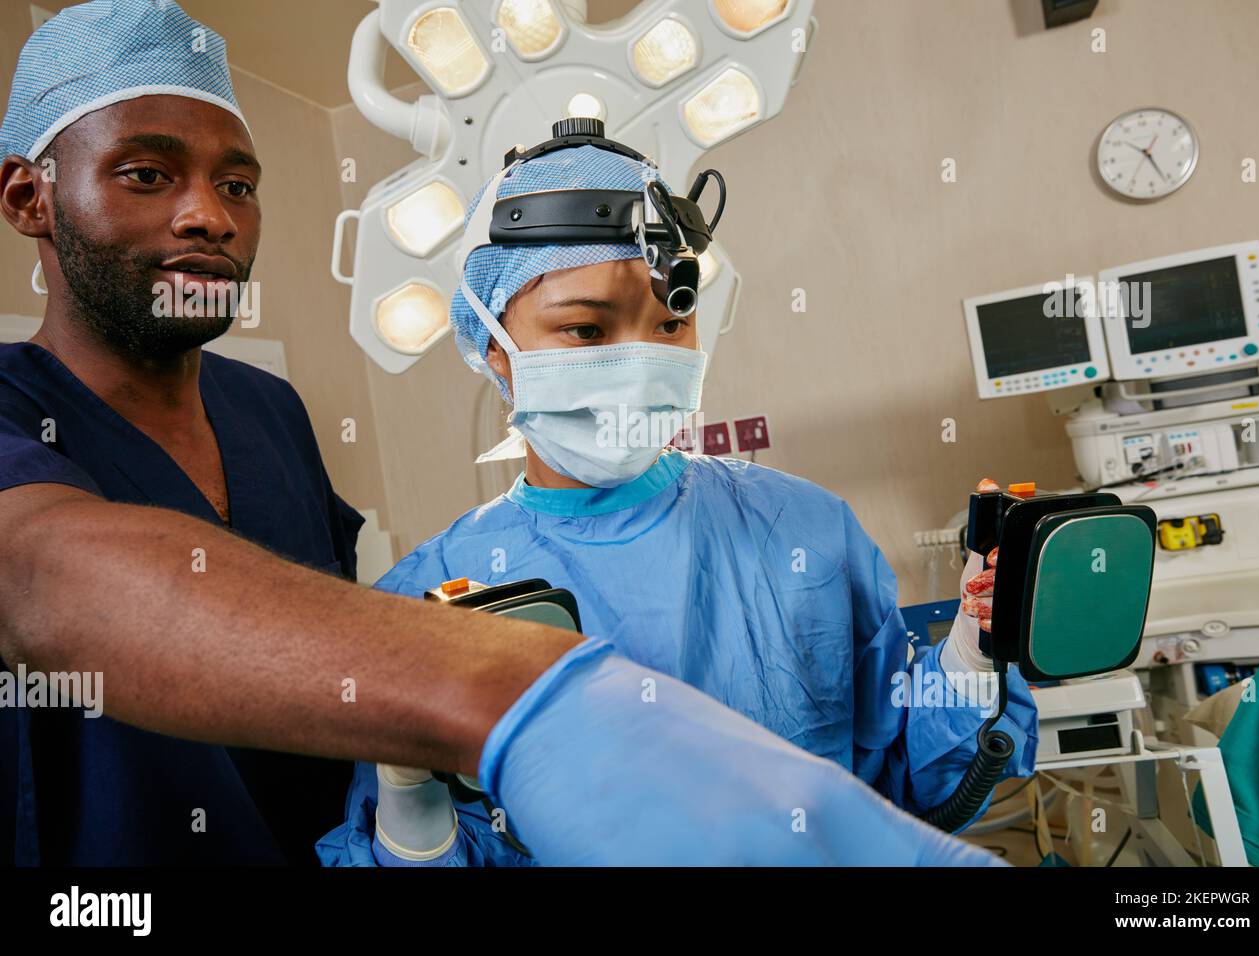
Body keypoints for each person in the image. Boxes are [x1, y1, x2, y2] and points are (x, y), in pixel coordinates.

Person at [0, 0, 1001, 867]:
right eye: (145, 175)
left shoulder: (270, 414)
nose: (208, 216)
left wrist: (968, 650)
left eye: (239, 184)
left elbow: (913, 754)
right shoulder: (444, 592)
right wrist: (483, 690)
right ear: (28, 196)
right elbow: (46, 576)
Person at [320, 126, 1038, 866]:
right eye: (586, 329)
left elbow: (910, 785)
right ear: (494, 344)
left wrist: (970, 654)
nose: (638, 364)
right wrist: (410, 793)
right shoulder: (424, 604)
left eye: (671, 322)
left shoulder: (807, 531)